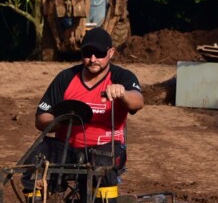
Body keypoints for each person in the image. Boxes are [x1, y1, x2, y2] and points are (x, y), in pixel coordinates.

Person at [33, 28, 144, 191]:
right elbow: (41, 118)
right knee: (35, 160)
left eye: (99, 54)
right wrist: (58, 122)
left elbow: (138, 102)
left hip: (107, 149)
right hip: (67, 148)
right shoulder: (66, 77)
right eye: (87, 53)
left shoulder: (122, 76)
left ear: (111, 52)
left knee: (102, 168)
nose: (93, 59)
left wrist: (122, 94)